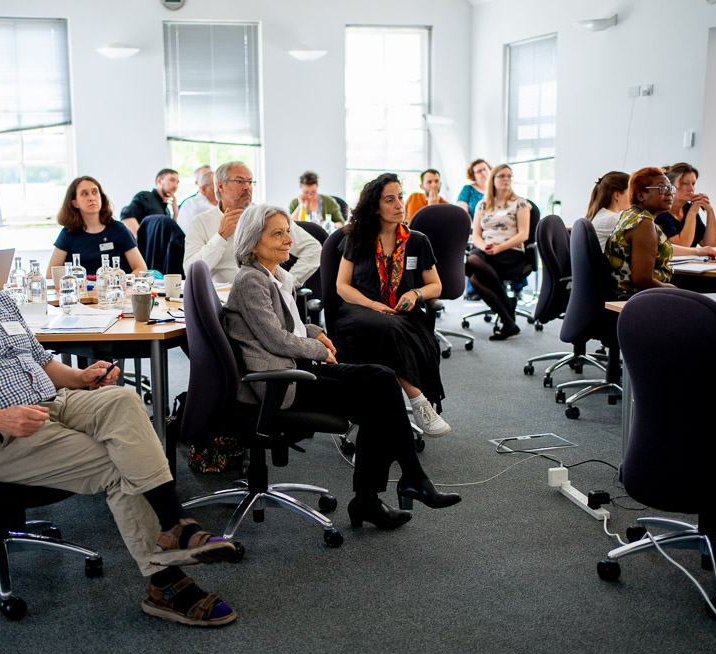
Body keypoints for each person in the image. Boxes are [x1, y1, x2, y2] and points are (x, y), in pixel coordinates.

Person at [0, 208, 237, 626]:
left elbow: (41, 360)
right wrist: (1, 420)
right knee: (117, 462)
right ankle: (167, 582)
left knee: (124, 402)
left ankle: (173, 524)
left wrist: (81, 377)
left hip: (54, 403)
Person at [222, 204, 461, 530]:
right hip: (280, 382)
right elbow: (275, 339)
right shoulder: (251, 280)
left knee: (382, 379)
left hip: (296, 366)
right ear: (251, 242)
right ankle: (390, 490)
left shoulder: (277, 275)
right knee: (379, 394)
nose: (288, 239)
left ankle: (395, 486)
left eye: (287, 230)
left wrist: (314, 331)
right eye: (277, 233)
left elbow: (287, 326)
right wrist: (318, 348)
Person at [334, 173, 451, 437]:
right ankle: (419, 402)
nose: (399, 204)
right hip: (358, 313)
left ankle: (411, 404)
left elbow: (436, 286)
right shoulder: (356, 238)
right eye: (390, 200)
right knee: (388, 329)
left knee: (394, 328)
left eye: (400, 197)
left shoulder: (417, 241)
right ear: (375, 207)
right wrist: (373, 305)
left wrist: (416, 294)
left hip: (403, 314)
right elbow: (342, 286)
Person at [185, 161, 321, 284]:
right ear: (221, 186)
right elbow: (190, 271)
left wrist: (288, 283)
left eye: (250, 182)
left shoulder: (268, 216)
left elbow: (314, 249)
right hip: (221, 300)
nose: (247, 187)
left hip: (262, 294)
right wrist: (220, 237)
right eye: (239, 181)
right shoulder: (201, 222)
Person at [466, 164, 531, 341]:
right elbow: (476, 235)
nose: (506, 179)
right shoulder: (482, 204)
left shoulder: (520, 203)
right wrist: (483, 246)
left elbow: (524, 234)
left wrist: (499, 248)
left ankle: (507, 316)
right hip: (487, 252)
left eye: (509, 176)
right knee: (473, 263)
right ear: (493, 179)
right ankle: (508, 316)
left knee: (474, 274)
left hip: (511, 252)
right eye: (502, 176)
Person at [48, 176, 147, 278]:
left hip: (111, 289)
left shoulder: (118, 229)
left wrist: (121, 281)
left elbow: (141, 268)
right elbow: (50, 274)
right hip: (82, 291)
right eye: (85, 194)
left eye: (95, 192)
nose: (92, 198)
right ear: (75, 203)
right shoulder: (68, 233)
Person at [605, 167, 677, 296]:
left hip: (639, 295)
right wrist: (675, 290)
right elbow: (642, 281)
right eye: (662, 188)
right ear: (641, 195)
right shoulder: (643, 223)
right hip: (638, 298)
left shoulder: (630, 214)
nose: (669, 193)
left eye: (670, 188)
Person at [655, 162, 716, 250]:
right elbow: (683, 246)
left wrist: (710, 211)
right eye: (685, 183)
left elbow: (709, 244)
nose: (691, 189)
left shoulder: (688, 208)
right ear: (670, 186)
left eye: (693, 184)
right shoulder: (660, 212)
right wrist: (692, 213)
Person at [120, 169, 179, 236]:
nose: (175, 186)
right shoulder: (145, 197)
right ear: (159, 181)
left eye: (177, 182)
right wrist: (142, 242)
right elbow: (127, 217)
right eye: (172, 180)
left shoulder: (166, 210)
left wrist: (175, 214)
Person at [586, 171, 630, 249]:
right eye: (630, 192)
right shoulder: (611, 219)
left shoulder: (604, 215)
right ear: (617, 195)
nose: (632, 196)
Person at [176, 166, 217, 233]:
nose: (220, 191)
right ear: (203, 189)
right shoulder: (201, 207)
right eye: (216, 187)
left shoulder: (190, 201)